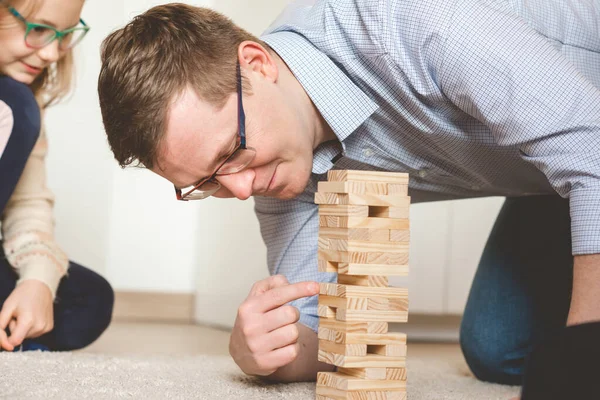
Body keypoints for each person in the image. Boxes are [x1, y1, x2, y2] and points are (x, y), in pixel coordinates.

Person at [97, 0, 600, 388]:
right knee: (498, 350)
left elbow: (590, 147)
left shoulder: (408, 21)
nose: (242, 187)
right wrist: (269, 353)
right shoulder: (277, 165)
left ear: (256, 64)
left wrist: (581, 357)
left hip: (590, 143)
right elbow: (325, 331)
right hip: (554, 177)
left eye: (233, 150)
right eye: (207, 183)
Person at [0, 0, 113, 352]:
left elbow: (27, 205)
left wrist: (37, 282)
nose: (52, 53)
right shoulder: (14, 105)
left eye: (64, 35)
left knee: (89, 297)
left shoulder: (22, 102)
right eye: (38, 30)